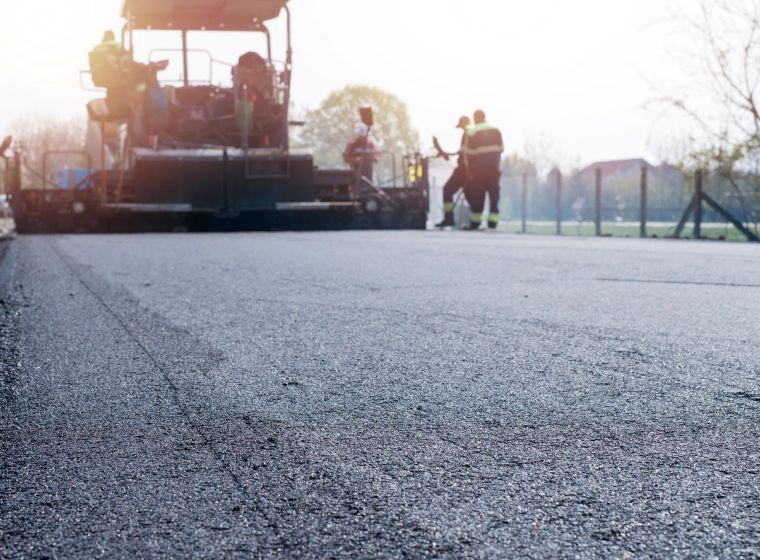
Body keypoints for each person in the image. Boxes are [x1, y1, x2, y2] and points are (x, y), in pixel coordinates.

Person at [463, 110, 503, 229]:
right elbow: (501, 148)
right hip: (494, 168)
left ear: (475, 118)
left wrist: (468, 169)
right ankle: (492, 223)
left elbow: (468, 153)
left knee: (477, 195)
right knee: (494, 195)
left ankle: (475, 222)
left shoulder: (472, 131)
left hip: (479, 169)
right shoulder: (496, 129)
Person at [436, 116, 471, 228]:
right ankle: (450, 218)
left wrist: (467, 168)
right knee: (469, 194)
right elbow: (462, 152)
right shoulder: (468, 134)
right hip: (466, 168)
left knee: (448, 189)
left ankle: (449, 218)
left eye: (461, 126)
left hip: (464, 169)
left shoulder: (468, 133)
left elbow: (467, 153)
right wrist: (450, 154)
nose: (461, 128)